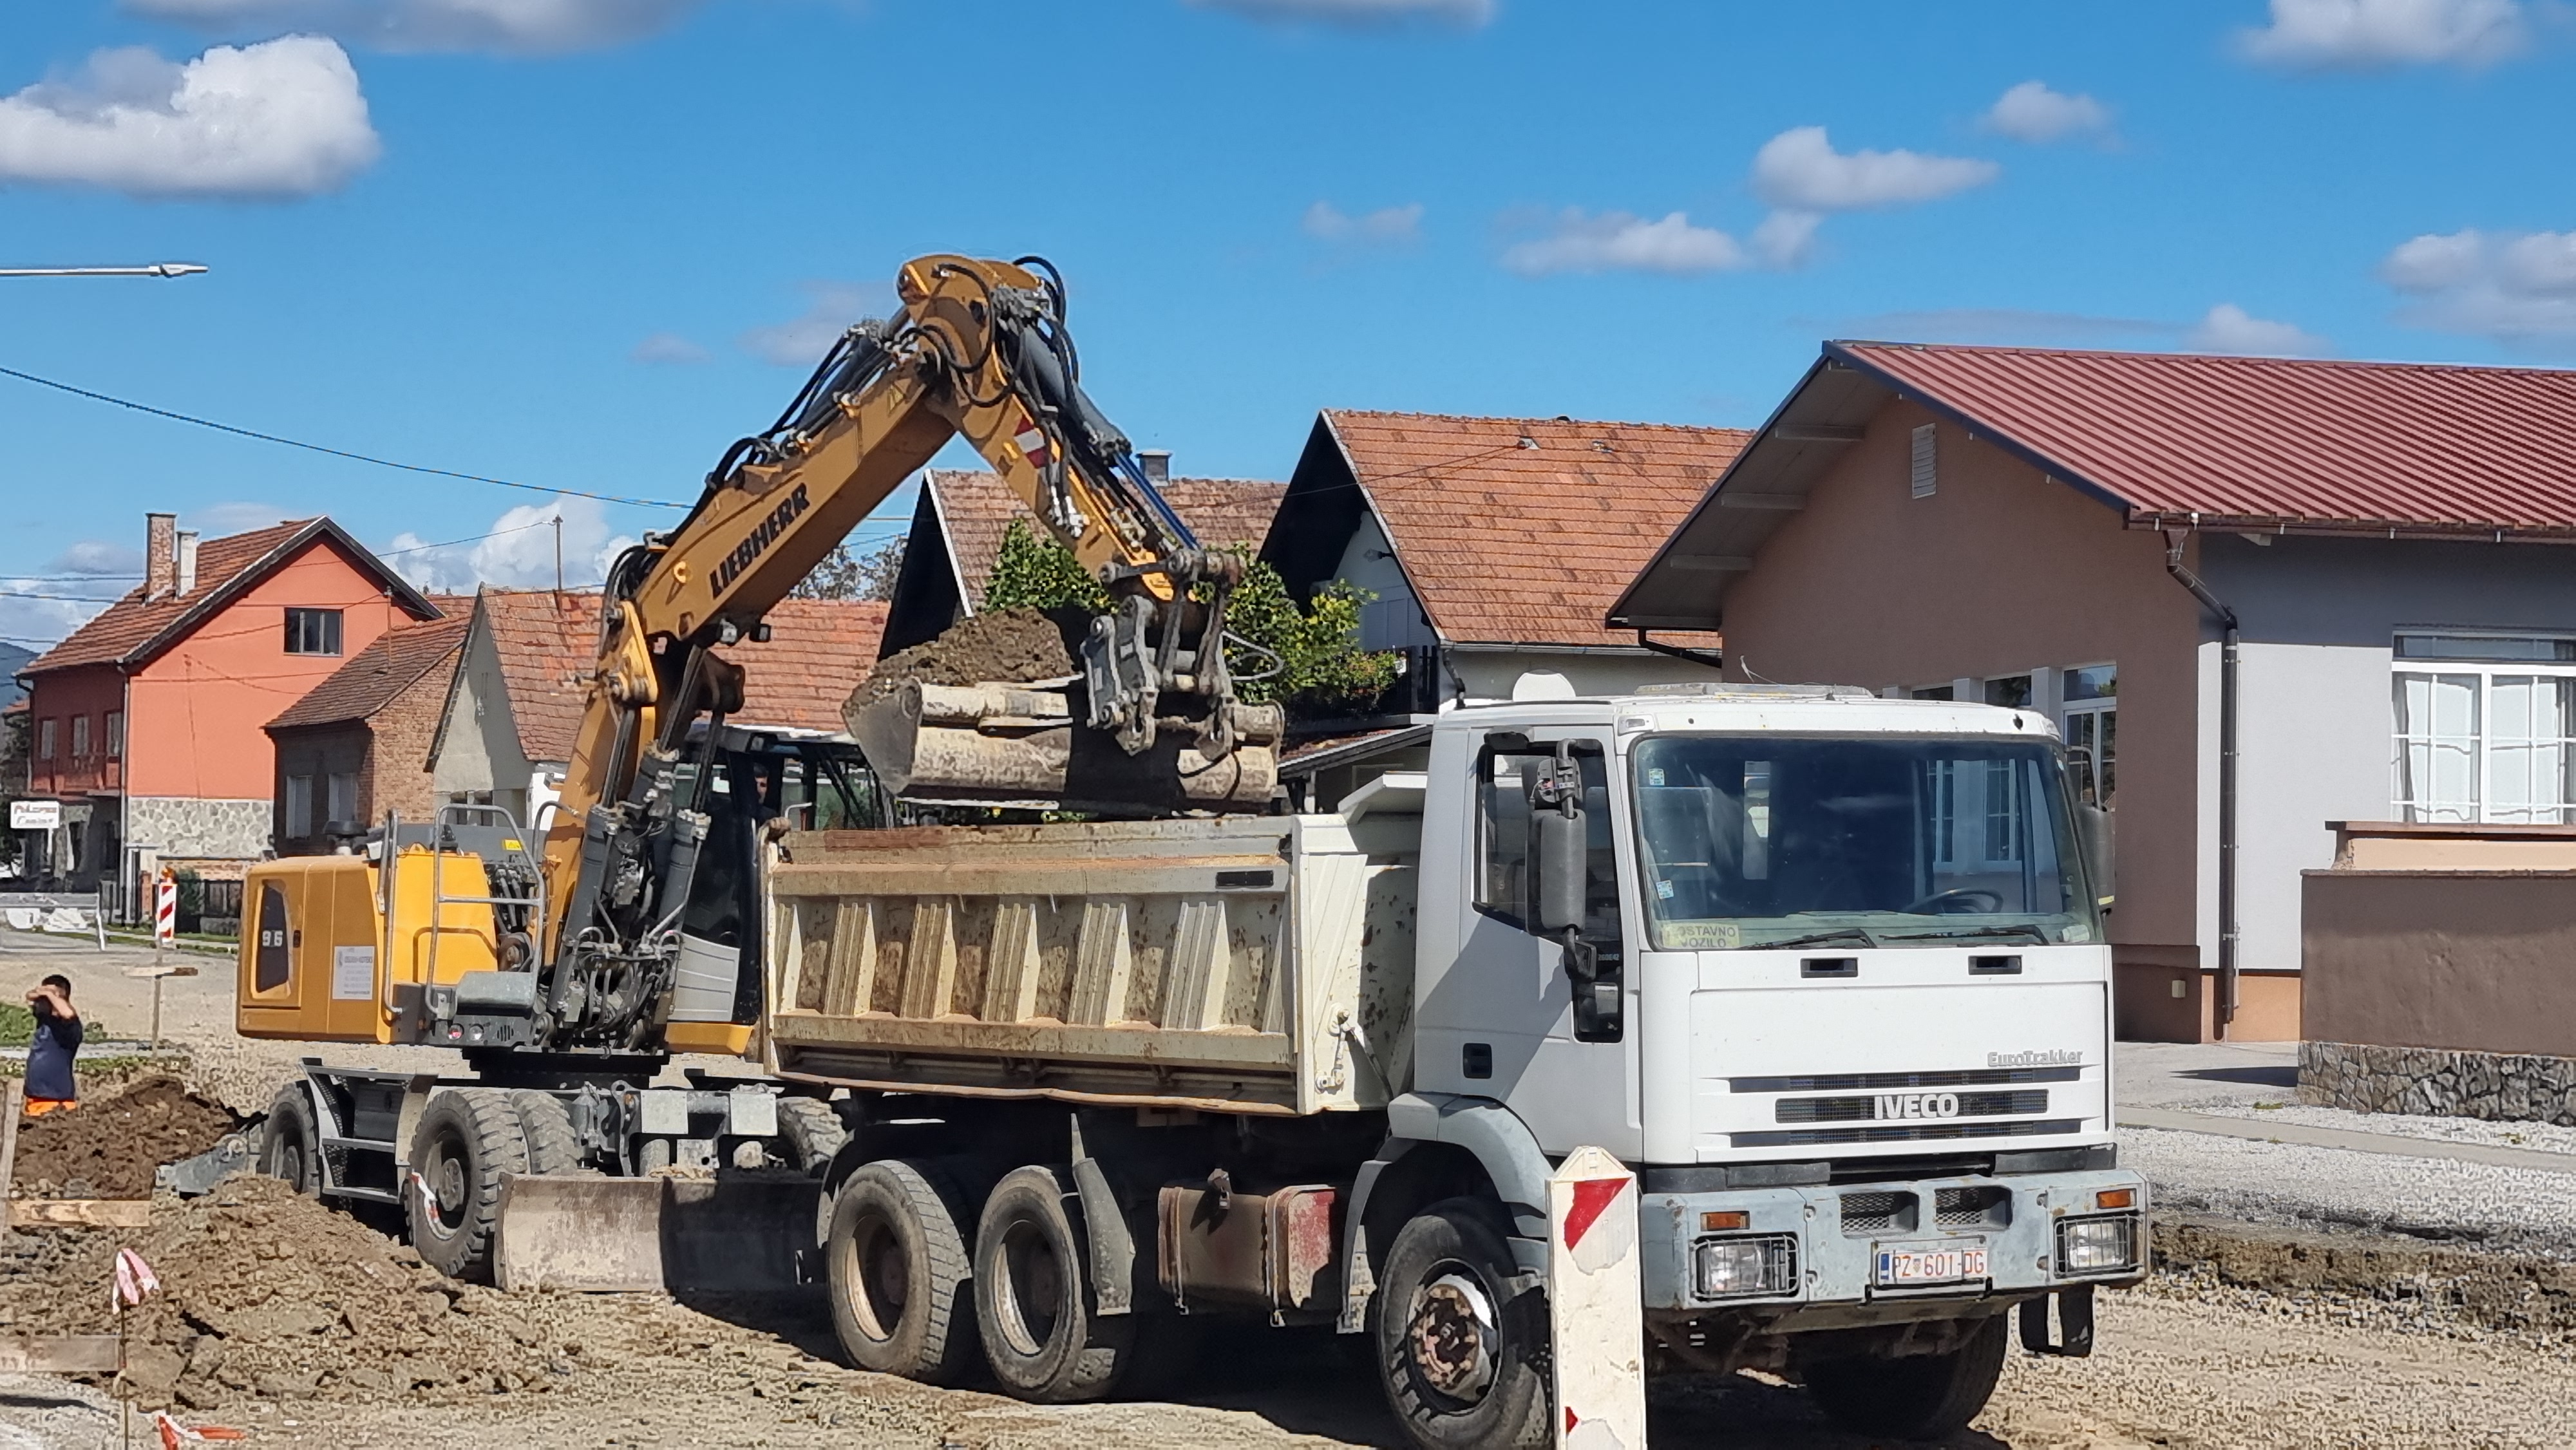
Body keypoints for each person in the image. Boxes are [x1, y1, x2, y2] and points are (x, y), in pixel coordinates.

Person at [24, 974, 82, 1115]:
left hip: (56, 1101)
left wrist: (51, 994)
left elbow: (68, 1013)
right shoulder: (45, 1018)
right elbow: (29, 996)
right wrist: (43, 992)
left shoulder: (70, 1027)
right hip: (35, 1097)